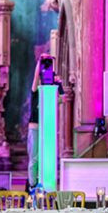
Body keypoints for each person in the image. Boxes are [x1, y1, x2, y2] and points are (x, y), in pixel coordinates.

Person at [28, 55, 62, 189]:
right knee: (34, 158)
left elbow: (63, 98)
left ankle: (47, 185)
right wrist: (40, 62)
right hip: (35, 127)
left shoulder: (50, 94)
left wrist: (58, 83)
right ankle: (32, 185)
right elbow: (36, 77)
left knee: (46, 157)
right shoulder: (36, 91)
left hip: (46, 127)